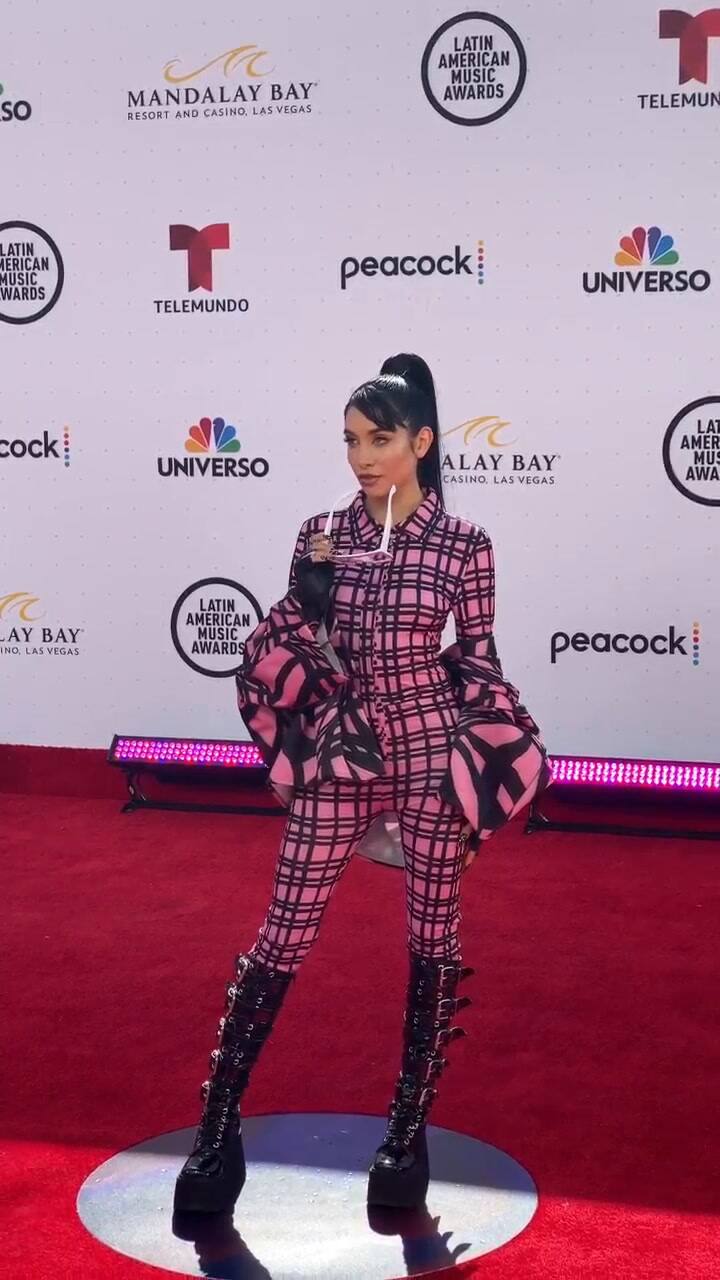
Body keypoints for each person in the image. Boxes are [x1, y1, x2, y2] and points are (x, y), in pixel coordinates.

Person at [173, 353, 551, 1216]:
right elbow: (285, 651)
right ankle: (216, 1133)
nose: (362, 457)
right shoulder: (320, 534)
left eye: (380, 439)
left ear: (421, 442)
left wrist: (482, 784)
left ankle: (406, 1137)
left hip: (431, 752)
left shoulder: (466, 545)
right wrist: (304, 602)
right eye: (350, 441)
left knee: (432, 936)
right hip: (343, 753)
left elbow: (480, 662)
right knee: (283, 930)